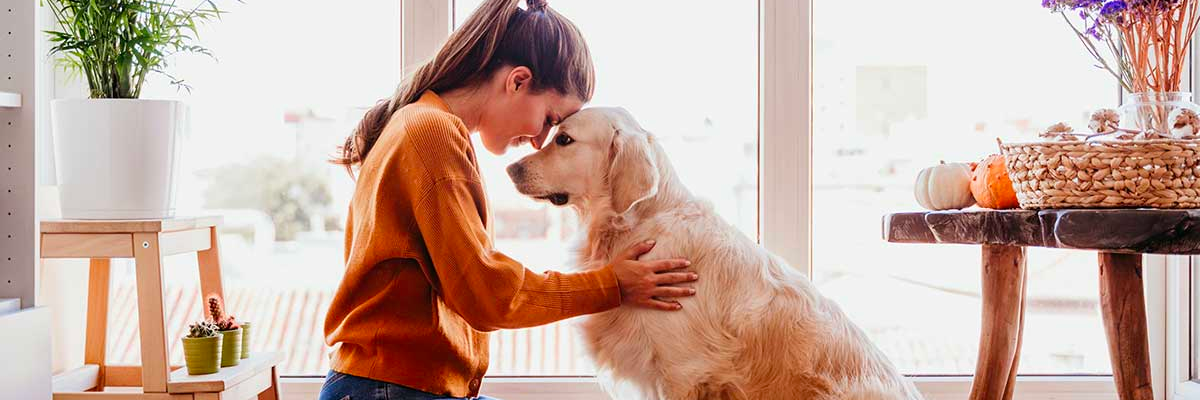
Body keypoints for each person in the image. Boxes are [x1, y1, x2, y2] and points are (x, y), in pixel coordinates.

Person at [319, 1, 697, 399]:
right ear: (517, 81)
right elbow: (487, 295)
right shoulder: (430, 133)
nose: (539, 141)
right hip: (386, 389)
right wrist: (610, 285)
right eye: (551, 120)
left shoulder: (426, 126)